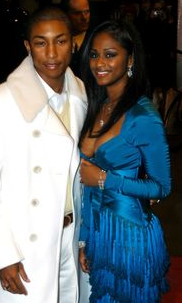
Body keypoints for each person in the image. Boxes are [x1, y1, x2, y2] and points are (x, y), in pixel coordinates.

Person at [0, 6, 87, 303]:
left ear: (73, 42)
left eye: (60, 41)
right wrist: (2, 255)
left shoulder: (80, 94)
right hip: (23, 246)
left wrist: (85, 238)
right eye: (40, 42)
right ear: (27, 46)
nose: (51, 53)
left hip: (68, 237)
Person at [78, 20, 171, 302]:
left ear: (129, 59)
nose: (99, 63)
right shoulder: (96, 104)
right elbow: (86, 186)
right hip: (99, 231)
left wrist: (106, 179)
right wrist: (84, 239)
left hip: (130, 237)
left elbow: (161, 187)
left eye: (110, 54)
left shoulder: (143, 117)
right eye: (94, 55)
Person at [60, 0, 91, 77]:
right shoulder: (58, 40)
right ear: (66, 14)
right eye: (77, 13)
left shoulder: (96, 38)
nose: (84, 17)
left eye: (87, 12)